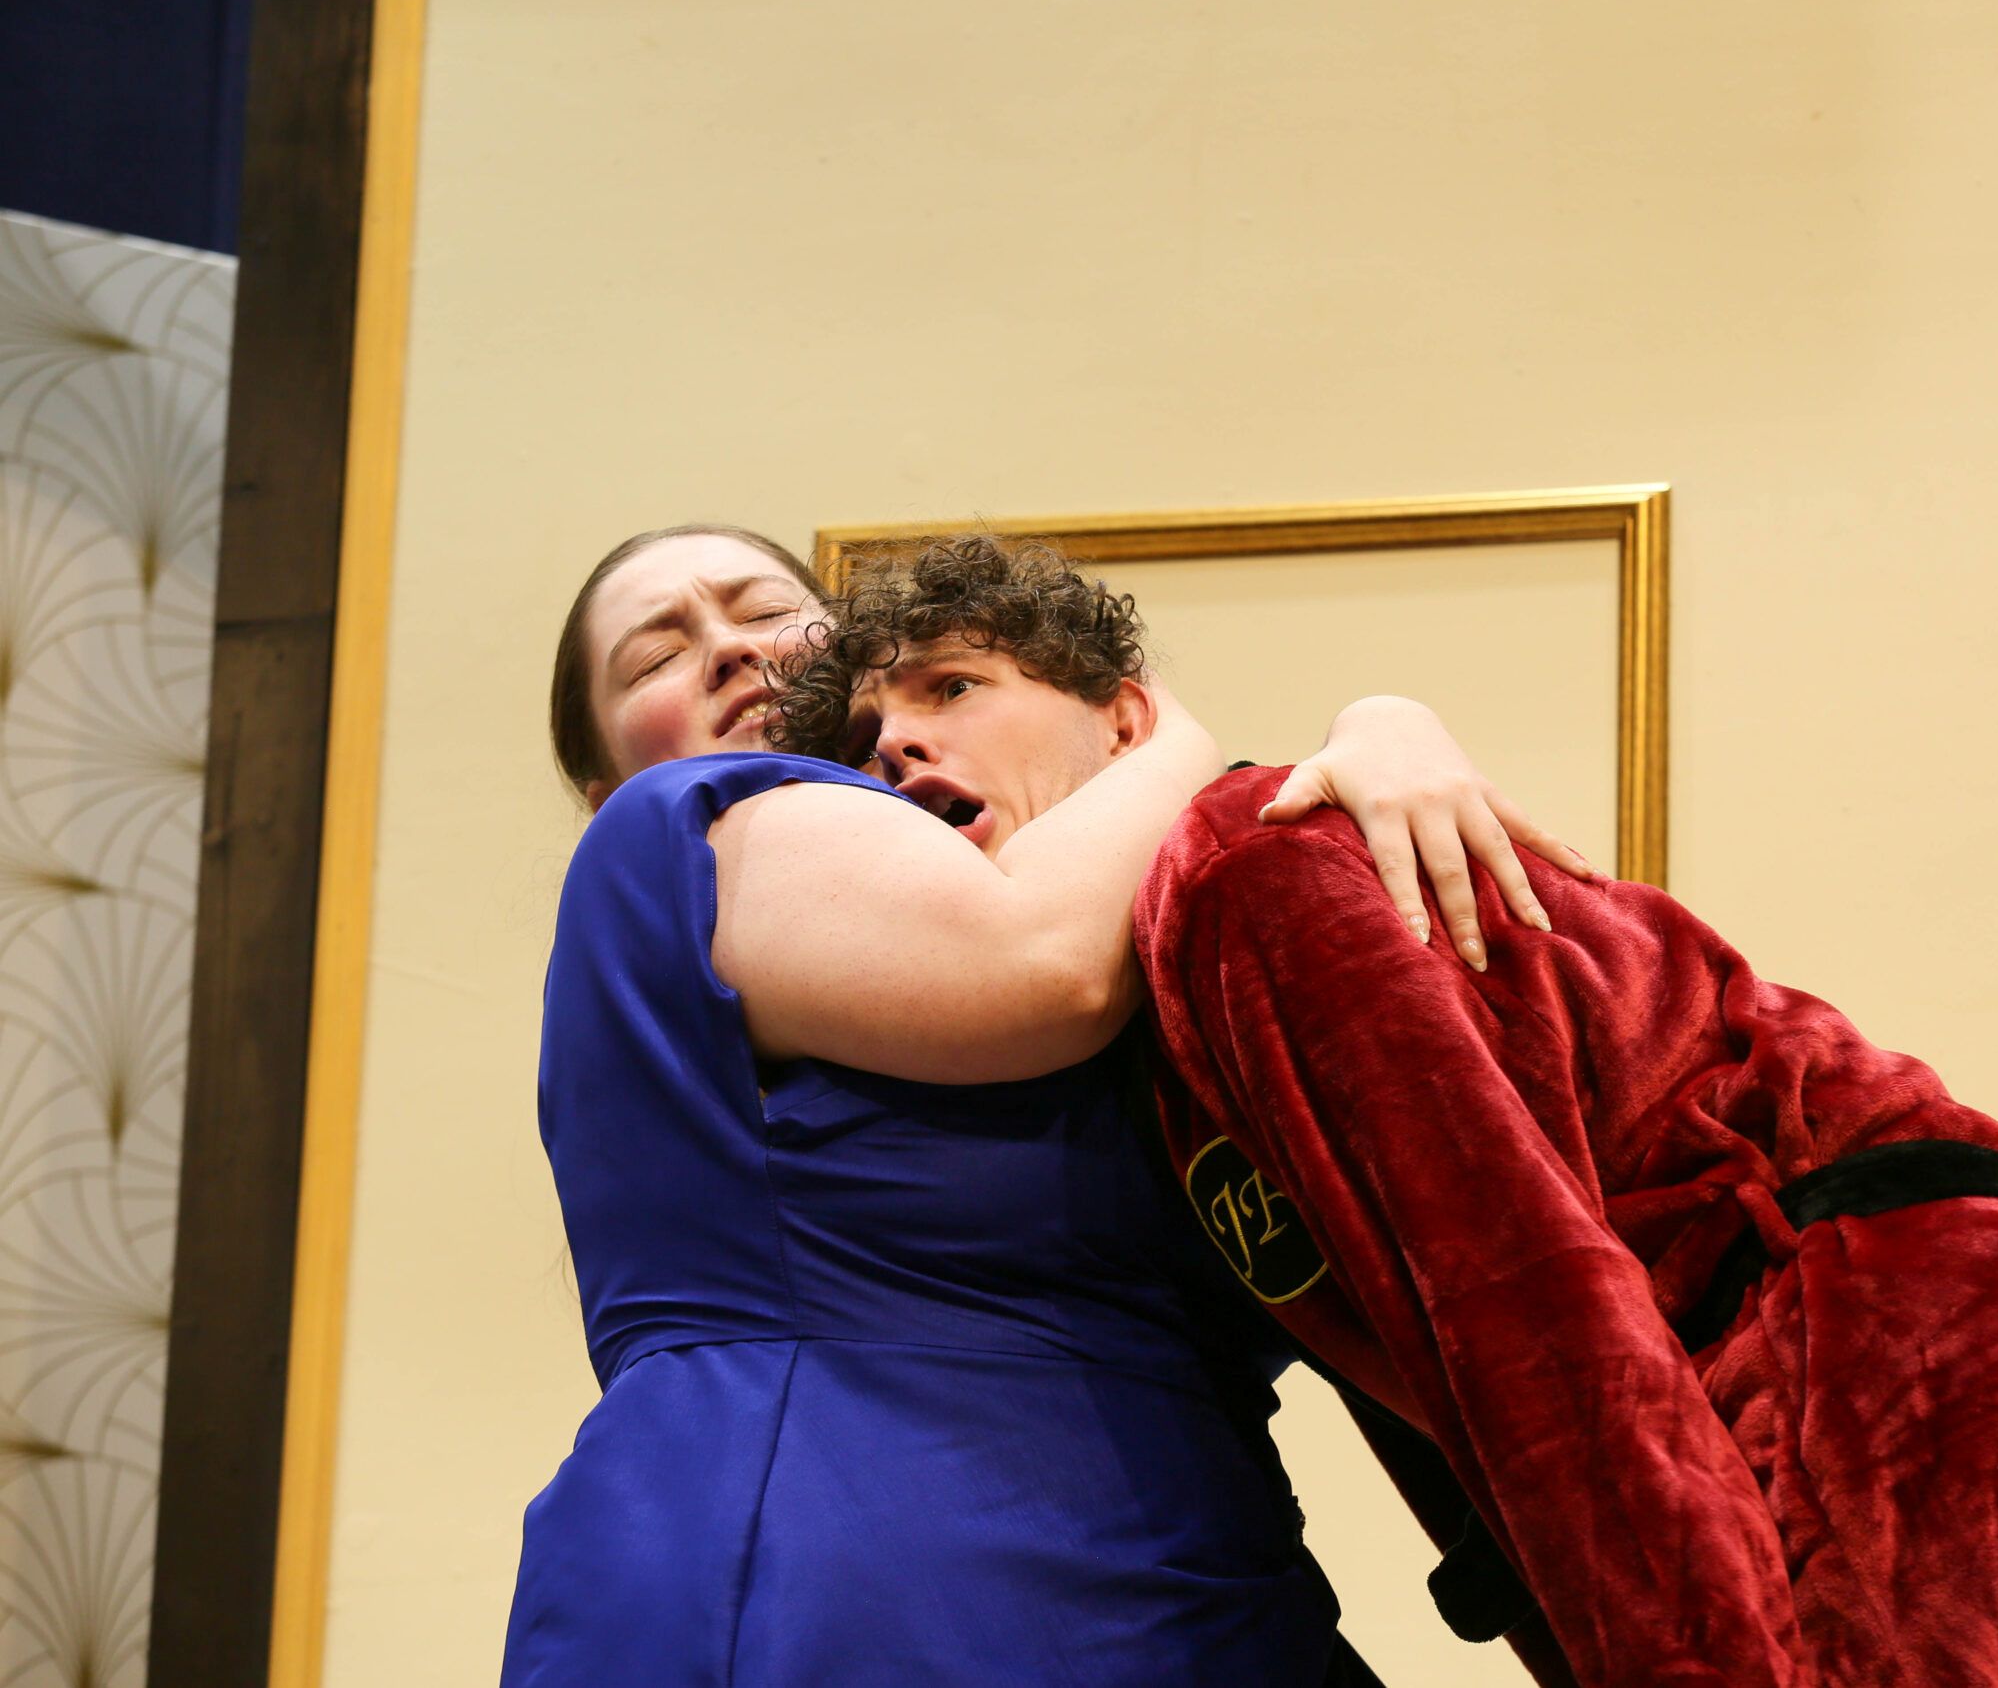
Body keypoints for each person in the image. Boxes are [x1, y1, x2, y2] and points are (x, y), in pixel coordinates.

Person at [768, 543, 1998, 1688]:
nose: (898, 744)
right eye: (868, 734)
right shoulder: (1151, 1011)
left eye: (952, 688)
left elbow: (1528, 1309)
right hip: (1926, 1340)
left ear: (1127, 722)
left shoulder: (1243, 866)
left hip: (1886, 1351)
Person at [505, 524, 1583, 1686]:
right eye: (655, 656)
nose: (725, 650)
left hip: (1193, 1572)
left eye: (761, 608)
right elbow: (1039, 966)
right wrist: (1180, 734)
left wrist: (1378, 727)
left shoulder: (1091, 899)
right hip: (841, 1563)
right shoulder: (674, 831)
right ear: (603, 781)